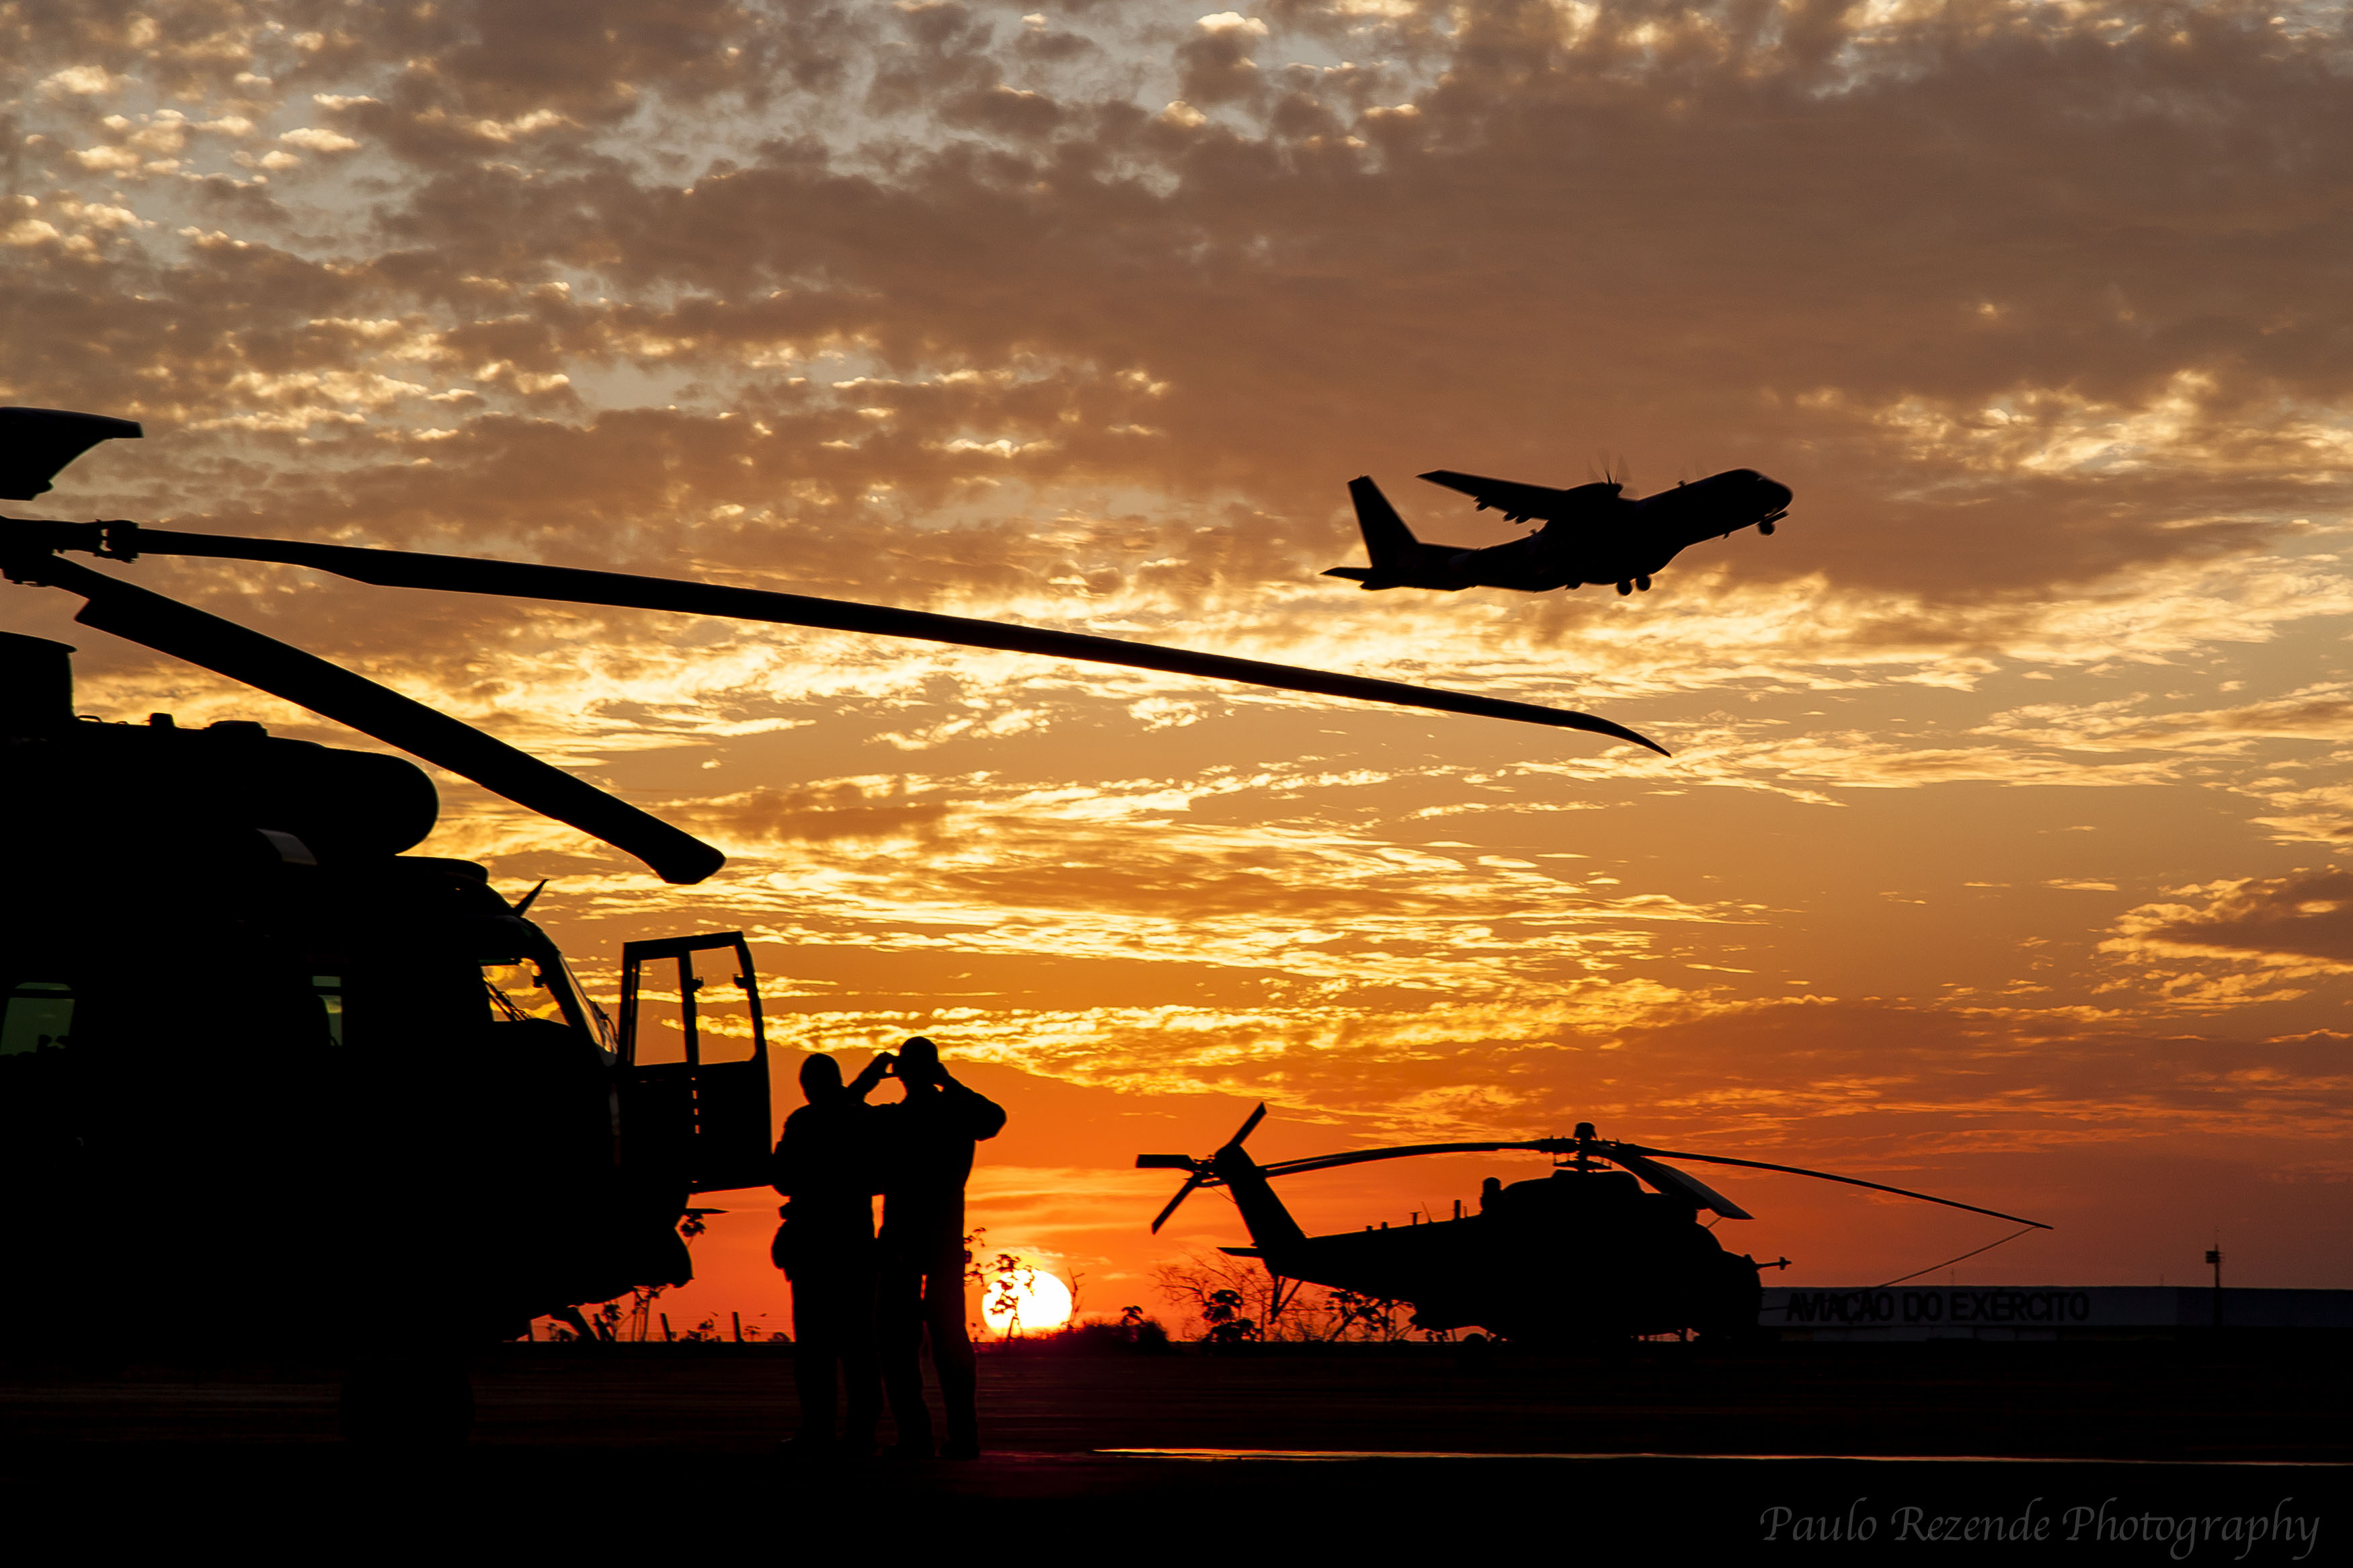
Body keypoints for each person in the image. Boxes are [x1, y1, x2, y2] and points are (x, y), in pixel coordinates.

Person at [861, 1036, 1004, 1459]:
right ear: (935, 1071)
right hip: (940, 1239)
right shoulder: (955, 1113)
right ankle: (962, 1435)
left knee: (898, 1342)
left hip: (906, 1239)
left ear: (901, 1075)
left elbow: (845, 1117)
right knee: (947, 1338)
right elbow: (992, 1118)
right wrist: (951, 1083)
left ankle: (918, 1436)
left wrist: (868, 1080)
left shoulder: (893, 1120)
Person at [771, 1050, 889, 1456]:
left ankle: (821, 1431)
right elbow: (881, 1174)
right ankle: (858, 1434)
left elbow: (782, 1180)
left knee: (817, 1347)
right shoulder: (862, 1117)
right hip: (852, 1244)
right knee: (857, 1345)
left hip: (817, 1246)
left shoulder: (803, 1122)